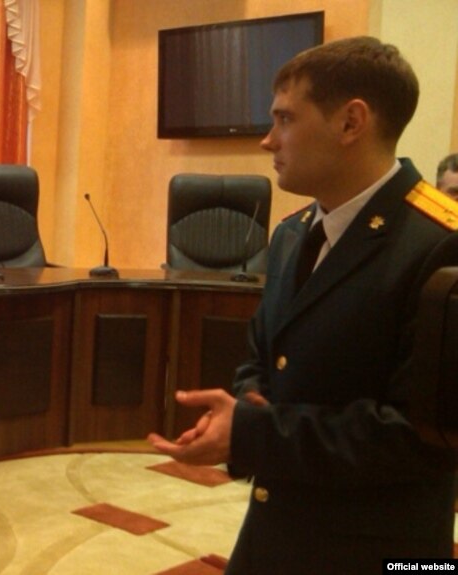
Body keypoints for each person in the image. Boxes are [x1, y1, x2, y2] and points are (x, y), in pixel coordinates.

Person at [148, 37, 458, 573]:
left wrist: (252, 432)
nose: (268, 140)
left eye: (285, 119)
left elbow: (423, 437)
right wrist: (247, 403)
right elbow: (262, 358)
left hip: (375, 550)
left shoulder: (441, 244)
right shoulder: (292, 233)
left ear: (350, 123)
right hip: (275, 533)